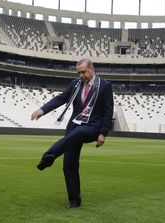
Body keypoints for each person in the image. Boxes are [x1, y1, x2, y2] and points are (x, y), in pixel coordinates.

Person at [31, 58, 114, 209]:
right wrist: (42, 110)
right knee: (69, 164)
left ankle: (49, 155)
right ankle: (74, 200)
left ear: (91, 70)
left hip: (93, 127)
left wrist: (103, 133)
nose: (81, 75)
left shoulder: (105, 86)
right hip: (74, 126)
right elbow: (61, 98)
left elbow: (108, 111)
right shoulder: (75, 84)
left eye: (84, 72)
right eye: (79, 73)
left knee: (80, 132)